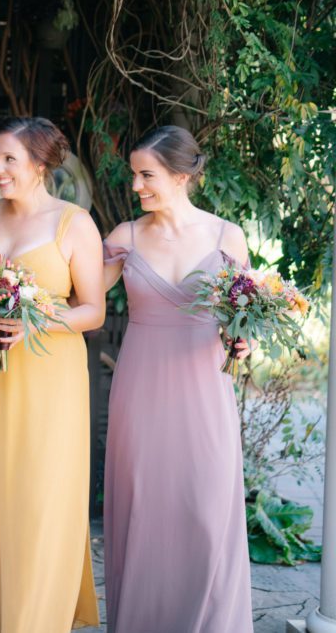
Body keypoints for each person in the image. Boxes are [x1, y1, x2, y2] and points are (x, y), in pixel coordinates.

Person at [0, 117, 103, 633]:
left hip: (46, 370)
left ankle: (36, 618)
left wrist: (37, 317)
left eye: (8, 160)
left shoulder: (73, 223)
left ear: (40, 165)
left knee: (40, 491)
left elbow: (93, 311)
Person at [102, 125, 253, 632]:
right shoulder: (124, 237)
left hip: (205, 391)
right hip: (140, 390)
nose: (136, 186)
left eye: (147, 175)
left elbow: (244, 313)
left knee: (206, 511)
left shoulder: (225, 236)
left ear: (182, 175)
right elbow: (79, 297)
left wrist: (244, 340)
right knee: (143, 511)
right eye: (134, 175)